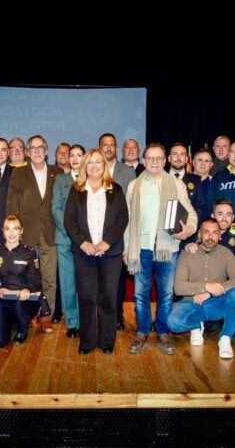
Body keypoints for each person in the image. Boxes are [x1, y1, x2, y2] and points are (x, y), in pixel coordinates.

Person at [124, 143, 197, 355]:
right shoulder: (134, 186)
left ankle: (163, 333)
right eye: (150, 158)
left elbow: (190, 214)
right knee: (140, 295)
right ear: (144, 160)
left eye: (158, 158)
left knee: (166, 295)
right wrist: (127, 249)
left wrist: (188, 229)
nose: (154, 162)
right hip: (141, 250)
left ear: (165, 161)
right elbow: (127, 222)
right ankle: (142, 332)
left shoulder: (177, 185)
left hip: (168, 249)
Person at [64, 148, 129, 355]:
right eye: (90, 162)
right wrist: (84, 243)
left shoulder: (115, 189)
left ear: (105, 165)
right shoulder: (76, 189)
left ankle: (107, 342)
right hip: (84, 253)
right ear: (85, 166)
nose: (94, 166)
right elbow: (69, 220)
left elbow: (122, 219)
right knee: (87, 297)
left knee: (108, 297)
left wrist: (106, 242)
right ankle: (87, 341)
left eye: (98, 162)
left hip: (110, 254)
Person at [6, 135, 63, 332]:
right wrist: (14, 232)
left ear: (47, 151)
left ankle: (46, 315)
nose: (37, 151)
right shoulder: (19, 173)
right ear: (28, 152)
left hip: (50, 233)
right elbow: (12, 205)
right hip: (26, 234)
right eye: (33, 148)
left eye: (41, 147)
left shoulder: (58, 172)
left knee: (49, 278)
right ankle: (27, 314)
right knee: (27, 278)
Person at [167, 219, 235, 359]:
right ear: (199, 234)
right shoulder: (187, 253)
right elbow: (178, 288)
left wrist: (210, 293)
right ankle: (196, 326)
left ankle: (225, 338)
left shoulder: (226, 253)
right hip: (191, 303)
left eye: (215, 233)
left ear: (220, 235)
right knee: (173, 322)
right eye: (206, 232)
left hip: (215, 303)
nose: (210, 236)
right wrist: (205, 287)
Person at [99, 133, 136, 330]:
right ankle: (100, 316)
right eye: (104, 145)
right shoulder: (92, 168)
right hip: (95, 236)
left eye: (111, 145)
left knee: (118, 280)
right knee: (98, 280)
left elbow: (132, 205)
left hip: (120, 235)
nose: (108, 148)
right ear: (99, 147)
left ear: (116, 148)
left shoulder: (128, 172)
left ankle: (117, 316)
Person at [0, 216, 42, 347]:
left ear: (21, 231)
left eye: (15, 229)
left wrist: (27, 289)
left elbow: (35, 281)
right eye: (7, 229)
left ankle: (23, 326)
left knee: (18, 306)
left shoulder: (29, 253)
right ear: (3, 231)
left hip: (24, 300)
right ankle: (10, 322)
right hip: (4, 297)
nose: (11, 233)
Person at [51, 144, 85, 338]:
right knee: (68, 283)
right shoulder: (60, 180)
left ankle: (85, 320)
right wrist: (71, 232)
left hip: (87, 243)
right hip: (65, 240)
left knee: (85, 284)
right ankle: (72, 323)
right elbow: (55, 208)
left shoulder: (90, 179)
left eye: (79, 155)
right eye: (71, 155)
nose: (74, 159)